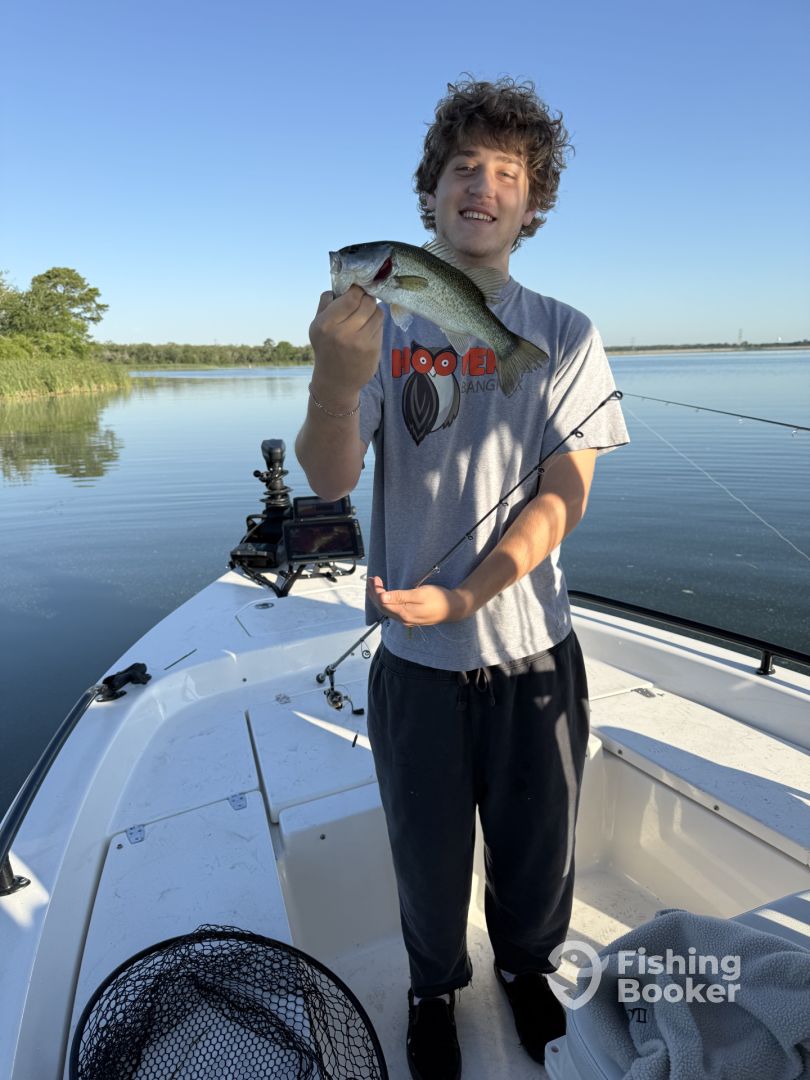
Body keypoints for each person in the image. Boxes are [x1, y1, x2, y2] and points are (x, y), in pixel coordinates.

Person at [296, 76, 629, 1080]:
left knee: (538, 852)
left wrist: (471, 595)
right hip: (416, 663)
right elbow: (328, 480)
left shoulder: (565, 334)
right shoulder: (381, 322)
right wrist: (335, 380)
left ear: (533, 205)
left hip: (533, 652)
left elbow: (565, 495)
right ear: (431, 194)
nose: (483, 185)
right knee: (427, 859)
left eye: (508, 173)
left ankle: (526, 969)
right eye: (463, 168)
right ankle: (432, 989)